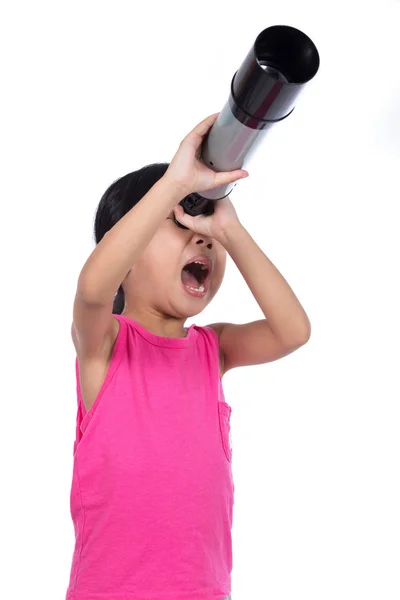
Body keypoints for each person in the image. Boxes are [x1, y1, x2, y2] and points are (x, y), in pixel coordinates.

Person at [66, 113, 311, 600]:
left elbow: (293, 331)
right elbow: (94, 289)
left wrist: (231, 231)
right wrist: (175, 182)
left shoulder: (211, 350)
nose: (201, 237)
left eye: (204, 230)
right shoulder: (104, 345)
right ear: (127, 249)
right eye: (177, 223)